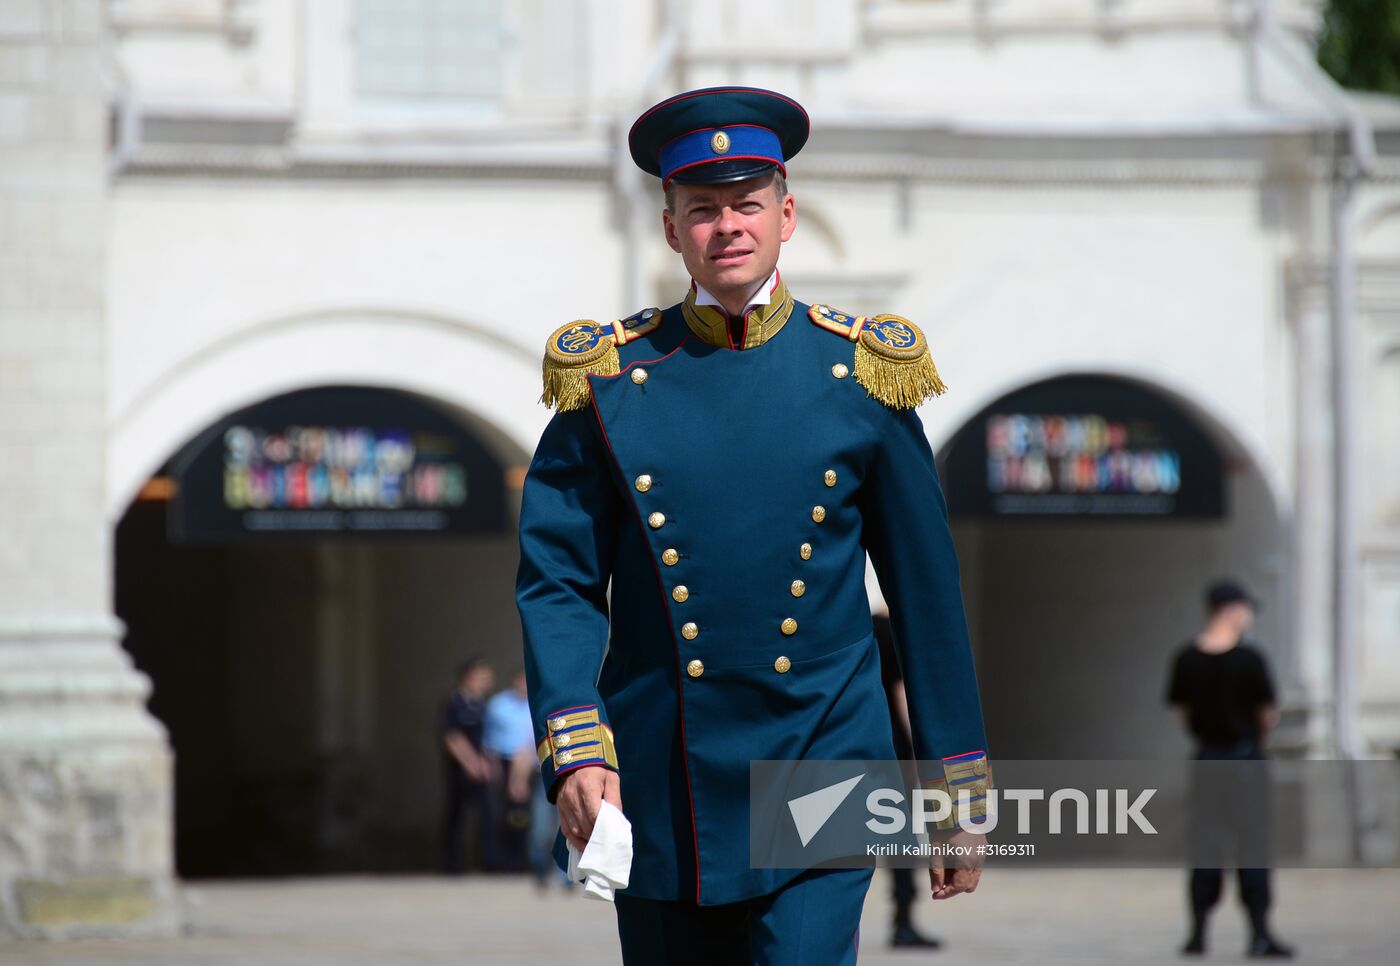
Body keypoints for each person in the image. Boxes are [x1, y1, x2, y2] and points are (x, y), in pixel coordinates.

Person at [516, 86, 990, 964]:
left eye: (746, 204)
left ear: (786, 214)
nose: (726, 227)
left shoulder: (865, 374)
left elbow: (926, 597)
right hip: (664, 775)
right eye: (702, 210)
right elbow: (559, 581)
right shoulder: (607, 381)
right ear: (670, 229)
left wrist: (956, 784)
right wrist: (576, 745)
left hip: (822, 760)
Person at [1165, 580, 1294, 959]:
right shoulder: (1250, 660)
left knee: (1205, 846)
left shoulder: (1186, 658)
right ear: (1232, 609)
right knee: (1252, 846)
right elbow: (1266, 715)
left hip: (1208, 759)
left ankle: (1198, 933)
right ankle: (1258, 933)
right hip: (1245, 758)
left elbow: (1184, 715)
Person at [872, 605, 942, 950]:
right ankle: (903, 919)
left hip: (847, 740)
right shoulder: (889, 632)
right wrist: (918, 747)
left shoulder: (845, 626)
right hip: (890, 745)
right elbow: (901, 691)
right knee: (898, 834)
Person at [440, 658, 495, 874]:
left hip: (482, 769)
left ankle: (488, 861)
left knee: (486, 815)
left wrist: (488, 763)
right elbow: (452, 737)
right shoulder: (453, 704)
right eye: (482, 677)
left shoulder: (483, 705)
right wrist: (472, 763)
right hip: (461, 771)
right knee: (456, 816)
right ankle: (451, 864)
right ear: (469, 677)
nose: (487, 682)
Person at [482, 669, 537, 871]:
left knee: (523, 815)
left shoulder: (536, 703)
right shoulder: (498, 705)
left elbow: (531, 742)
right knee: (500, 814)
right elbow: (489, 738)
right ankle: (498, 860)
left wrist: (520, 776)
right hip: (503, 762)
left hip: (529, 763)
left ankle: (521, 859)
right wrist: (492, 765)